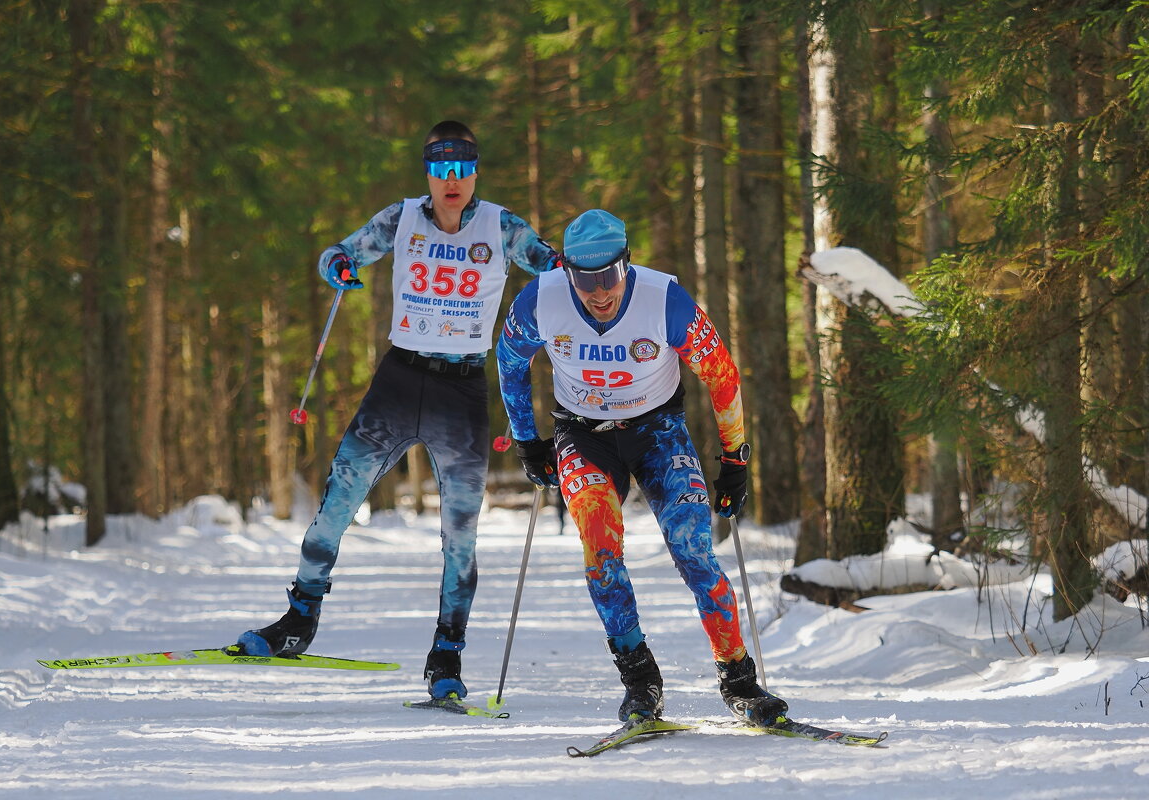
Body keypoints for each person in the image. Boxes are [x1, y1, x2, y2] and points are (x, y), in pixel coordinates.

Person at [238, 121, 557, 701]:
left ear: (475, 172)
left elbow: (555, 269)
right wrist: (338, 267)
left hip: (462, 391)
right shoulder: (401, 218)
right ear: (428, 173)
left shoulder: (502, 226)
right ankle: (299, 618)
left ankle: (446, 654)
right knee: (339, 498)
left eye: (463, 168)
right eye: (441, 168)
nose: (452, 180)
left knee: (460, 531)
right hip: (401, 379)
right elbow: (339, 253)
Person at [495, 209, 788, 725]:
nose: (598, 292)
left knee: (693, 548)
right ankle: (640, 681)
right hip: (581, 434)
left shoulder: (663, 299)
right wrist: (527, 441)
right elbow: (510, 361)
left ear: (626, 262)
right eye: (585, 279)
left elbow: (721, 376)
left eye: (609, 275)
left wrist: (735, 458)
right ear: (566, 270)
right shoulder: (540, 298)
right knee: (599, 543)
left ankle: (739, 680)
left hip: (657, 432)